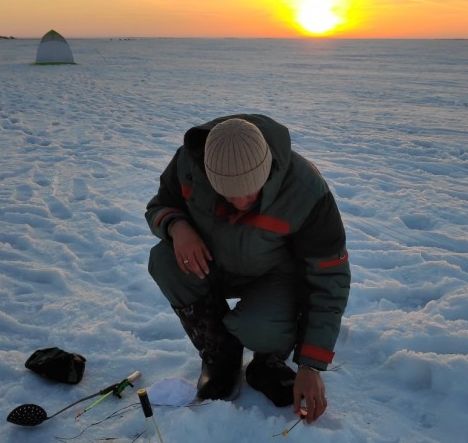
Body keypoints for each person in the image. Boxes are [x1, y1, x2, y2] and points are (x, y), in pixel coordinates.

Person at [145, 114, 351, 423]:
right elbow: (160, 205)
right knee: (165, 260)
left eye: (251, 191)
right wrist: (177, 226)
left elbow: (329, 279)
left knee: (260, 328)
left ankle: (268, 361)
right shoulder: (188, 164)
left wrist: (310, 366)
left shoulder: (306, 191)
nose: (241, 201)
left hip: (273, 275)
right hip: (213, 262)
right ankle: (219, 354)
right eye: (228, 192)